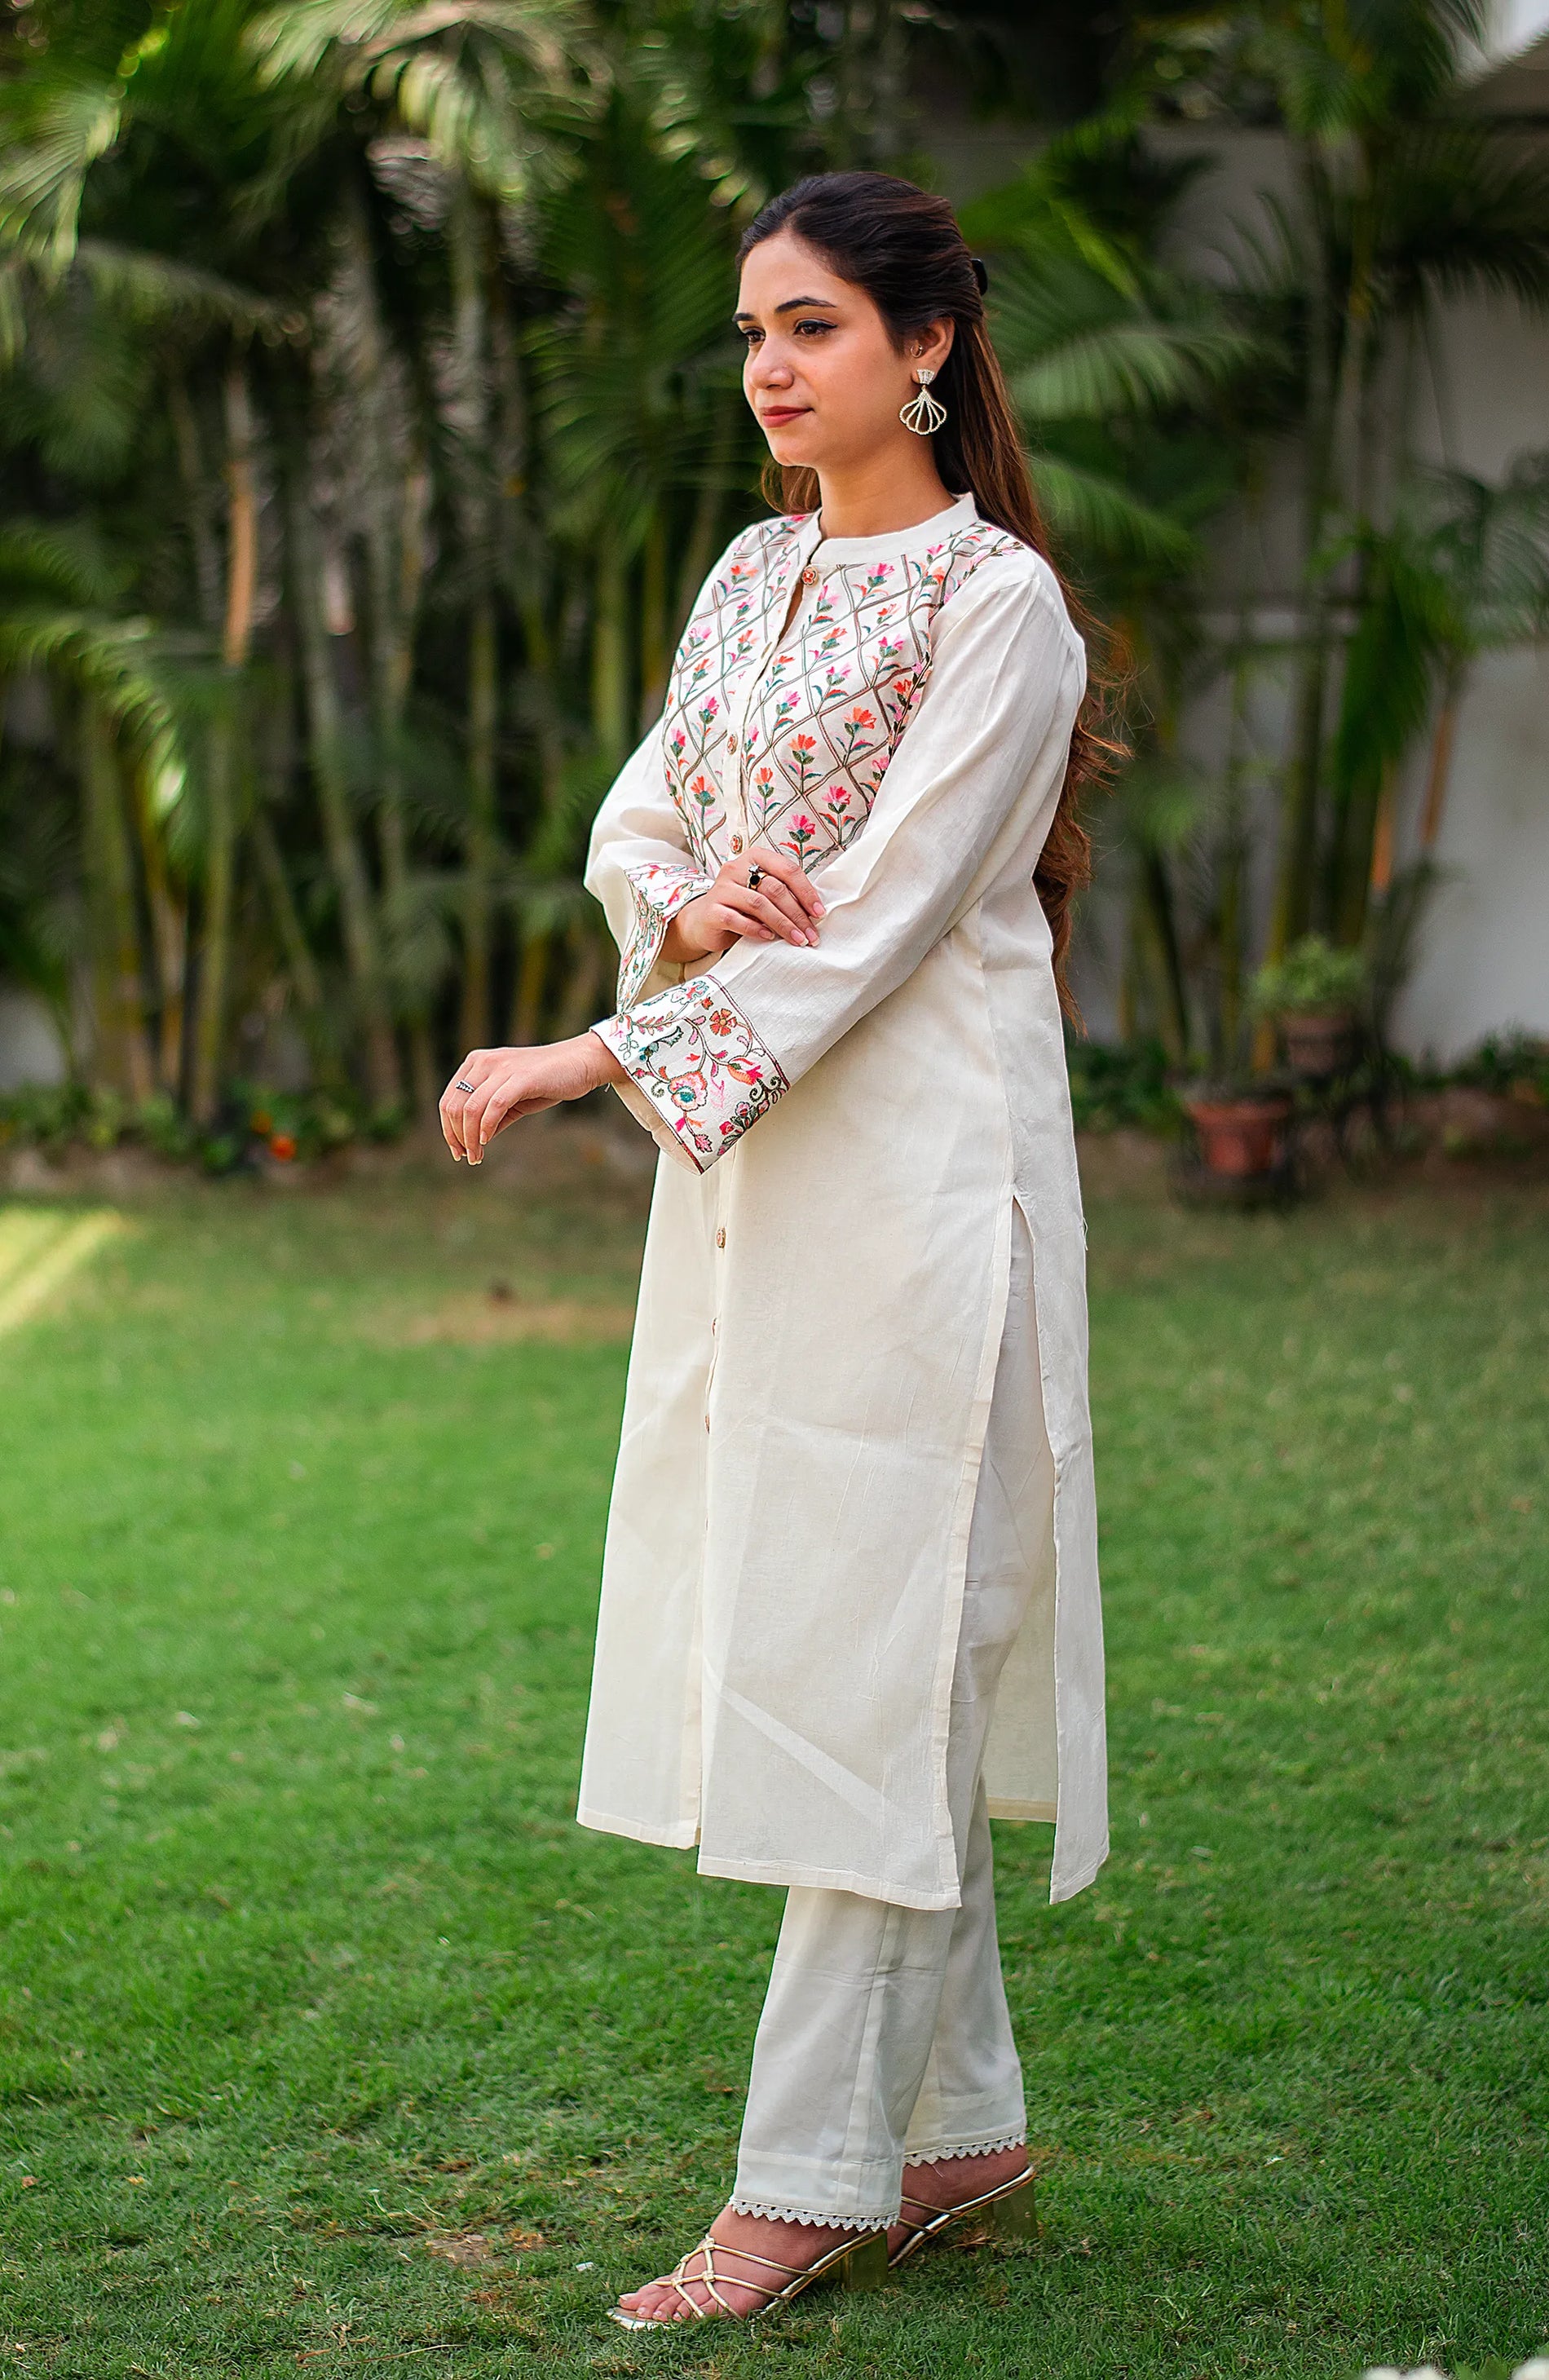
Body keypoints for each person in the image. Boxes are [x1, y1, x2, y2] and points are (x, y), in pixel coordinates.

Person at [438, 169, 1110, 2329]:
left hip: (920, 1188)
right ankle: (962, 2125)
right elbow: (640, 818)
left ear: (921, 348)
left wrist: (584, 1050)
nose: (766, 364)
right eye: (754, 329)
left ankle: (808, 2178)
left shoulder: (998, 611)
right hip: (755, 1193)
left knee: (888, 1637)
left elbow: (898, 918)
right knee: (827, 1625)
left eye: (811, 325)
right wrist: (686, 905)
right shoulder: (746, 578)